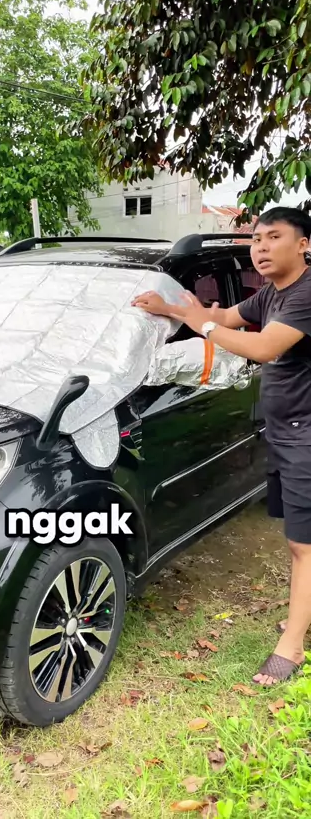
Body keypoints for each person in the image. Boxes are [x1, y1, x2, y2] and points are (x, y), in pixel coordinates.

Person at [132, 206, 311, 686]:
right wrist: (174, 309)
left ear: (304, 244)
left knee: (303, 544)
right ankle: (302, 613)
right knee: (300, 539)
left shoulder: (307, 294)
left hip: (305, 435)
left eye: (274, 237)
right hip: (285, 430)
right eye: (257, 239)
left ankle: (292, 645)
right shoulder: (273, 292)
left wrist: (204, 325)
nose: (261, 248)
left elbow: (262, 347)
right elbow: (225, 315)